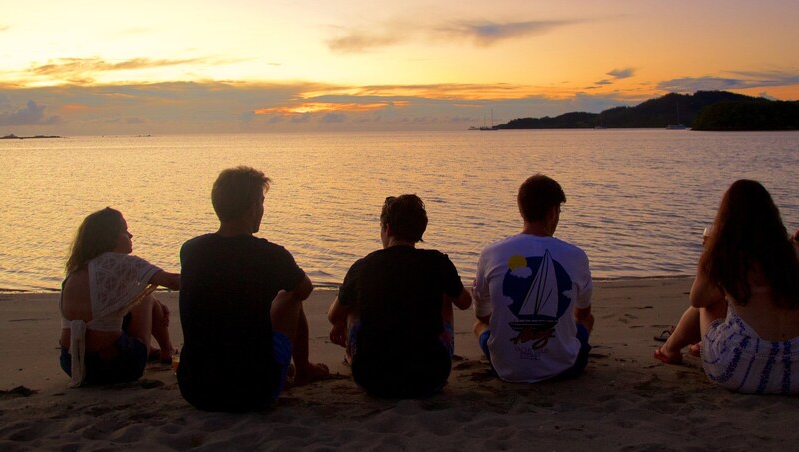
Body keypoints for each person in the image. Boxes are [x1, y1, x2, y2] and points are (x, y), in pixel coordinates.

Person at [177, 166, 329, 412]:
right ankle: (303, 369)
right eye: (261, 202)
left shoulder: (191, 250)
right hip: (255, 390)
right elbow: (305, 289)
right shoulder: (270, 255)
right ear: (252, 207)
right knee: (291, 294)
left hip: (195, 389)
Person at [653, 179, 799, 395]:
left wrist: (709, 258)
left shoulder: (727, 254)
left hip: (741, 371)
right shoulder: (791, 254)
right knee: (736, 301)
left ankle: (670, 349)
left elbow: (697, 299)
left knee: (710, 303)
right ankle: (690, 346)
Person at [328, 195, 472, 398]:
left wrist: (338, 323)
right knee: (446, 293)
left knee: (351, 303)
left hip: (371, 379)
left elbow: (334, 316)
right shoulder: (438, 263)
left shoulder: (364, 267)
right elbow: (465, 303)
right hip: (431, 376)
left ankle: (352, 356)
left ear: (387, 228)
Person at [472, 174, 594, 383]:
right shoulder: (575, 256)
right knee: (586, 320)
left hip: (506, 370)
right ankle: (556, 349)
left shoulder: (491, 253)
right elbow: (583, 313)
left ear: (521, 210)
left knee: (479, 326)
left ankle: (516, 354)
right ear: (552, 212)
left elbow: (482, 315)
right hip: (565, 369)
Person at [58, 208, 180, 387]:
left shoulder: (78, 269)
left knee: (140, 297)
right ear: (110, 237)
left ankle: (159, 350)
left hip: (72, 365)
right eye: (124, 231)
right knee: (145, 297)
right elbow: (173, 282)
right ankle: (166, 350)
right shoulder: (120, 263)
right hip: (115, 366)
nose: (131, 235)